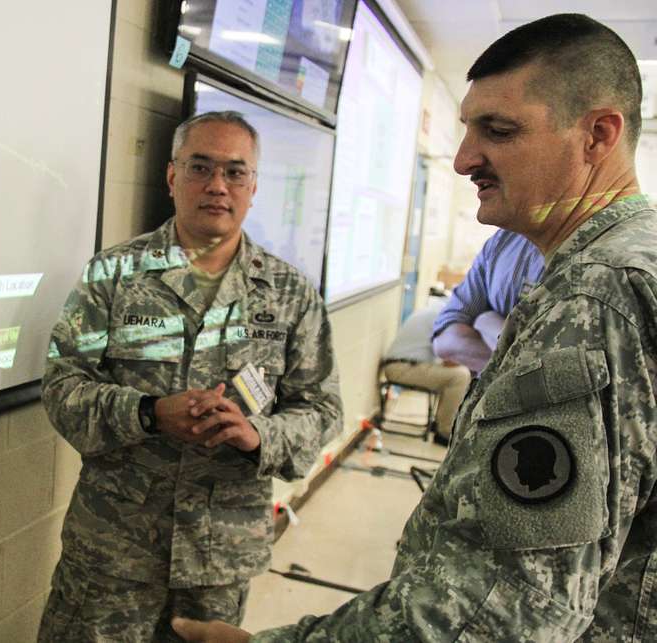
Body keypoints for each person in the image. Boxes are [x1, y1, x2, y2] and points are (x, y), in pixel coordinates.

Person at [173, 13, 657, 641]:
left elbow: (507, 608)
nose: (463, 160)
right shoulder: (625, 262)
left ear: (597, 135)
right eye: (467, 130)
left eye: (499, 131)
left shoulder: (599, 294)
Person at [38, 111, 342, 641]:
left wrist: (257, 436)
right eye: (200, 167)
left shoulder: (292, 296)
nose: (217, 186)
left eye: (235, 172)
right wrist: (148, 414)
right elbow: (63, 386)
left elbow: (322, 408)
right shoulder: (111, 276)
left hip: (218, 565)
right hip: (113, 553)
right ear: (173, 177)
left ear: (254, 187)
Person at [432, 229, 543, 374]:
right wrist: (521, 372)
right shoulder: (502, 241)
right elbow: (443, 340)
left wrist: (487, 324)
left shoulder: (578, 249)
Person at [380, 298, 471, 441]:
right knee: (461, 376)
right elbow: (449, 361)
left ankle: (441, 422)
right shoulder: (447, 317)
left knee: (459, 373)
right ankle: (444, 431)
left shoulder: (439, 308)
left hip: (402, 365)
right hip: (401, 368)